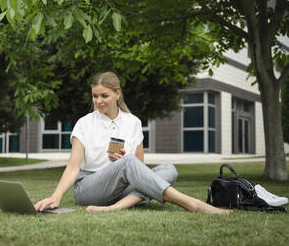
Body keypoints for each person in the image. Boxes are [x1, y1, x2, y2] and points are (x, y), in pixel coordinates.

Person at [35, 72, 233, 215]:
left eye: (104, 95)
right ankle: (192, 204)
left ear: (117, 94)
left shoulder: (133, 122)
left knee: (169, 169)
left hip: (121, 189)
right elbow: (73, 167)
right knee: (130, 163)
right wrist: (57, 196)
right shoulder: (84, 123)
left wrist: (122, 163)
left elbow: (140, 167)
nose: (98, 101)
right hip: (89, 188)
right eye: (95, 96)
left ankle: (114, 207)